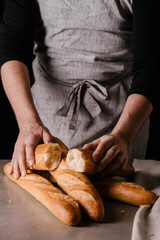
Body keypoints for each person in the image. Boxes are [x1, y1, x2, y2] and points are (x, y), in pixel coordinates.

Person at [0, 0, 158, 179]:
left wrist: (123, 135)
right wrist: (28, 123)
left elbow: (150, 64)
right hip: (45, 122)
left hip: (123, 121)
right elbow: (12, 47)